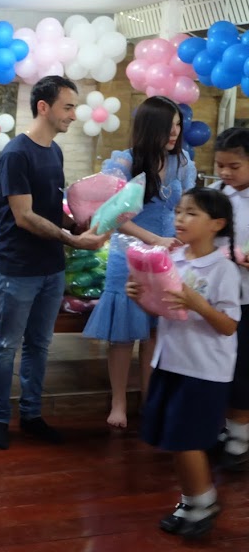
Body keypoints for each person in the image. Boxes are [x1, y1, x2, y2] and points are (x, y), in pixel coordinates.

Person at [0, 75, 109, 451]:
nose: (73, 115)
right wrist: (72, 239)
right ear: (44, 107)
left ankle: (32, 414)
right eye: (68, 107)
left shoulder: (54, 151)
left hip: (52, 268)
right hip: (19, 268)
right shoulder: (16, 154)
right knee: (7, 345)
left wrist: (79, 224)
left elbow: (51, 210)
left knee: (39, 344)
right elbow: (24, 216)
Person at [126, 187, 240, 538]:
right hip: (171, 361)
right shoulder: (172, 259)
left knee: (187, 439)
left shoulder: (223, 269)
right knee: (174, 438)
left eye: (191, 213)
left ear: (216, 224)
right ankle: (191, 500)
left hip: (204, 369)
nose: (180, 219)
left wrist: (197, 303)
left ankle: (203, 502)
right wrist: (141, 298)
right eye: (178, 211)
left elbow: (228, 326)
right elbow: (165, 311)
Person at [82, 96, 194, 429]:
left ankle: (149, 399)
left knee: (156, 332)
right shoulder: (124, 162)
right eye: (168, 126)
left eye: (178, 125)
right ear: (149, 126)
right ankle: (118, 402)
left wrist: (182, 239)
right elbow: (111, 216)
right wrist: (153, 239)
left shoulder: (183, 162)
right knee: (122, 335)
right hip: (128, 255)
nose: (174, 133)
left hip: (168, 256)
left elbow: (186, 208)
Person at [210, 127, 249, 469]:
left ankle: (239, 439)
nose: (225, 172)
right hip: (217, 297)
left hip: (247, 299)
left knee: (242, 370)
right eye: (220, 165)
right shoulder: (215, 195)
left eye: (234, 166)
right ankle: (223, 428)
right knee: (219, 365)